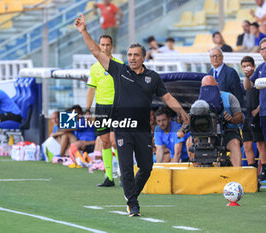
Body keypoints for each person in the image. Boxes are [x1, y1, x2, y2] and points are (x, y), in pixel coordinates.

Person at [75, 13, 189, 217]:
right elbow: (95, 51)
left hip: (143, 129)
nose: (132, 58)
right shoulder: (119, 70)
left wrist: (181, 111)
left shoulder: (152, 77)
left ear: (143, 57)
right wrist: (83, 31)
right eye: (129, 55)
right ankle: (133, 204)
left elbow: (167, 97)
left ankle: (131, 196)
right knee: (126, 168)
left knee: (146, 167)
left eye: (136, 55)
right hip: (122, 128)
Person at [86, 34, 122, 187]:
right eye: (102, 45)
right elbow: (91, 90)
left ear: (111, 46)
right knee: (105, 142)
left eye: (108, 45)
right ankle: (109, 177)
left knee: (116, 142)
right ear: (99, 46)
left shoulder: (119, 65)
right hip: (101, 108)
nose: (105, 48)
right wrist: (87, 110)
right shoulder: (95, 68)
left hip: (117, 107)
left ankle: (123, 176)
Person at [197, 75, 244, 167]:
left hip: (227, 131)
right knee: (190, 142)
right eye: (205, 87)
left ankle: (237, 173)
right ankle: (198, 172)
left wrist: (231, 119)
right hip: (205, 132)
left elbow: (240, 117)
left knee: (235, 143)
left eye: (211, 87)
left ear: (217, 85)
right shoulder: (199, 101)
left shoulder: (229, 97)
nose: (208, 90)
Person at [241, 56, 266, 180]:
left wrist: (258, 108)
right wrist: (246, 76)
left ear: (254, 66)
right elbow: (247, 88)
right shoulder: (250, 79)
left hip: (258, 114)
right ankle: (252, 171)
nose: (247, 68)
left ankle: (264, 170)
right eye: (244, 66)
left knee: (261, 143)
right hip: (248, 115)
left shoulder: (260, 76)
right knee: (247, 145)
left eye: (248, 66)